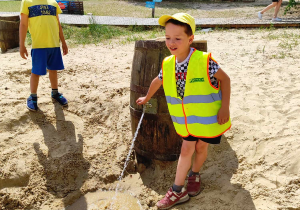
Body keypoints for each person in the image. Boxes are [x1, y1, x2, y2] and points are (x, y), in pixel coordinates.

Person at [136, 13, 231, 209]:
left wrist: (225, 107)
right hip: (187, 121)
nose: (171, 42)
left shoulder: (204, 60)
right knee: (187, 149)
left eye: (178, 38)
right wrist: (147, 97)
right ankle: (177, 190)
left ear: (190, 39)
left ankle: (194, 174)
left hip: (207, 118)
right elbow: (158, 80)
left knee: (201, 148)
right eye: (168, 37)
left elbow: (226, 79)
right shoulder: (168, 63)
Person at [19, 0, 68, 111]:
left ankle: (55, 93)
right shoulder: (27, 2)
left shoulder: (53, 3)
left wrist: (63, 42)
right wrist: (21, 45)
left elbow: (58, 24)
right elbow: (23, 24)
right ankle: (33, 97)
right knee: (36, 72)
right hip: (38, 46)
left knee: (53, 69)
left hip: (54, 45)